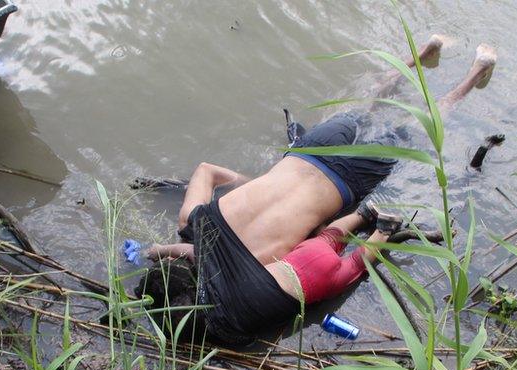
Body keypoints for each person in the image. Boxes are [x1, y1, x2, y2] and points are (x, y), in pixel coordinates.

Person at [137, 39, 497, 344]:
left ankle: (475, 72)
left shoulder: (258, 270)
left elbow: (315, 256)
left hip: (345, 181)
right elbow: (205, 170)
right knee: (367, 106)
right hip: (309, 150)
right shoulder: (194, 218)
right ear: (177, 263)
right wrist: (260, 183)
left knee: (419, 128)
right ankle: (423, 53)